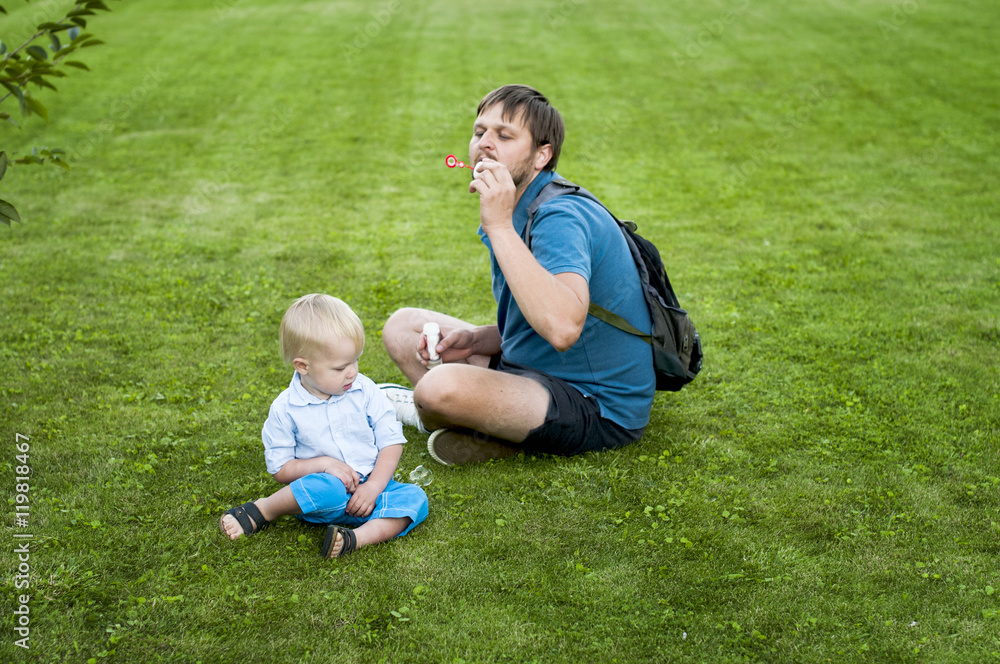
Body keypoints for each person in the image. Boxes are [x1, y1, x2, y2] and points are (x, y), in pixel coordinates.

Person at [380, 84, 655, 465]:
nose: (485, 144)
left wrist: (499, 227)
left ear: (542, 155)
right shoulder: (518, 206)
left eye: (504, 135)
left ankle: (467, 423)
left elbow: (563, 328)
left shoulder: (559, 217)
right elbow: (537, 314)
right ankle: (498, 432)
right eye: (480, 133)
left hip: (597, 404)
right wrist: (479, 340)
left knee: (436, 389)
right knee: (402, 326)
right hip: (533, 371)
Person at [220, 293, 428, 558]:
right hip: (324, 497)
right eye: (341, 367)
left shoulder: (366, 390)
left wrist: (374, 486)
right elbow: (281, 468)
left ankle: (353, 539)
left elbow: (391, 441)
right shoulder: (286, 409)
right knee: (326, 488)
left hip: (373, 491)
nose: (352, 372)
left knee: (415, 499)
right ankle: (263, 510)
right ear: (303, 366)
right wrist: (324, 464)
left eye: (355, 360)